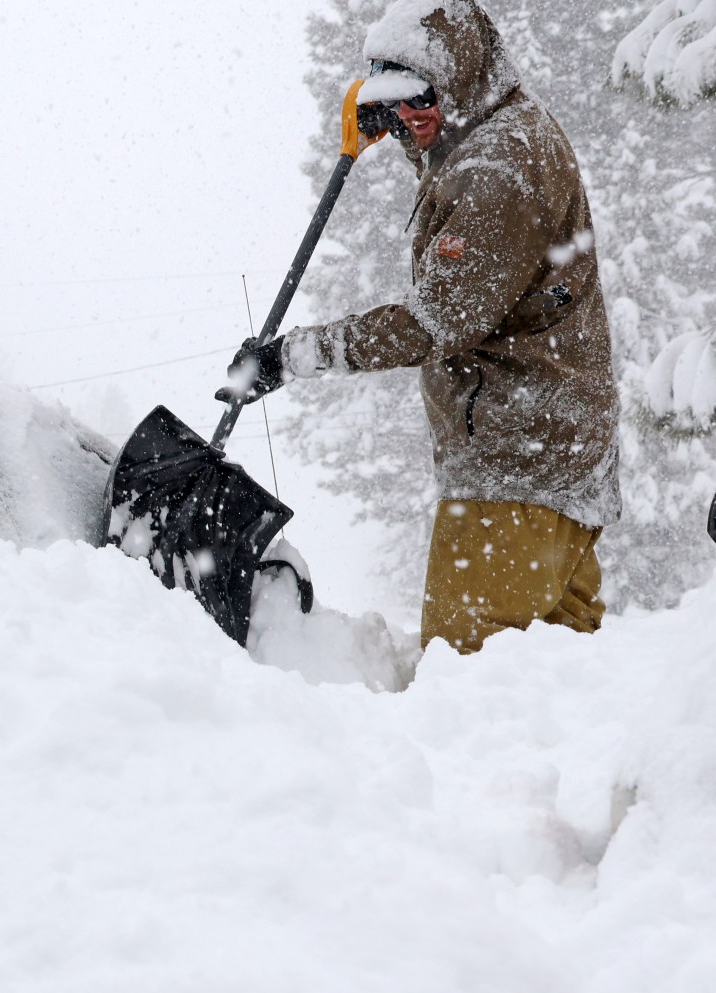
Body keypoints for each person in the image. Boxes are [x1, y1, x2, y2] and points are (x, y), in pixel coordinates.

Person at [221, 0, 618, 655]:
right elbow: (448, 160)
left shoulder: (499, 167)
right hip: (555, 466)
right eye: (395, 105)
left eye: (422, 103)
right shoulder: (496, 127)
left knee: (472, 686)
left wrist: (293, 357)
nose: (410, 120)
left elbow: (436, 319)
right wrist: (406, 132)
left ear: (459, 86)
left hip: (511, 476)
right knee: (560, 688)